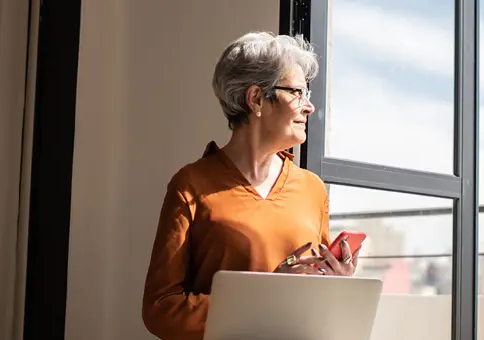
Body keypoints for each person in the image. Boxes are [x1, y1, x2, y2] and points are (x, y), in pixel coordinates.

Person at [141, 31, 361, 340]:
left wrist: (338, 283)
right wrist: (263, 297)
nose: (309, 107)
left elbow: (315, 300)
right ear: (256, 98)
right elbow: (161, 309)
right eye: (297, 93)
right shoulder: (191, 186)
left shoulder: (312, 189)